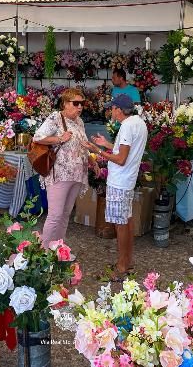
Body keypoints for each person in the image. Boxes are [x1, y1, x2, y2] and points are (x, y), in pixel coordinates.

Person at [83, 94, 148, 280]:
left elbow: (120, 159)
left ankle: (121, 268)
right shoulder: (138, 123)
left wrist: (99, 151)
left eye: (112, 108)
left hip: (119, 181)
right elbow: (126, 150)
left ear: (119, 110)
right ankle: (127, 262)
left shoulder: (127, 126)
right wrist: (107, 144)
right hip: (127, 181)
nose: (110, 111)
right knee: (126, 222)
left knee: (120, 225)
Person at [33, 88, 91, 244]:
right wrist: (59, 138)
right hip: (60, 174)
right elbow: (38, 138)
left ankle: (58, 249)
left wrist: (93, 161)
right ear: (65, 103)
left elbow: (82, 144)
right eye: (76, 103)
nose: (80, 107)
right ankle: (44, 253)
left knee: (65, 214)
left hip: (77, 174)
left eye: (82, 104)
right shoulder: (56, 118)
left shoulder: (80, 122)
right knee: (55, 215)